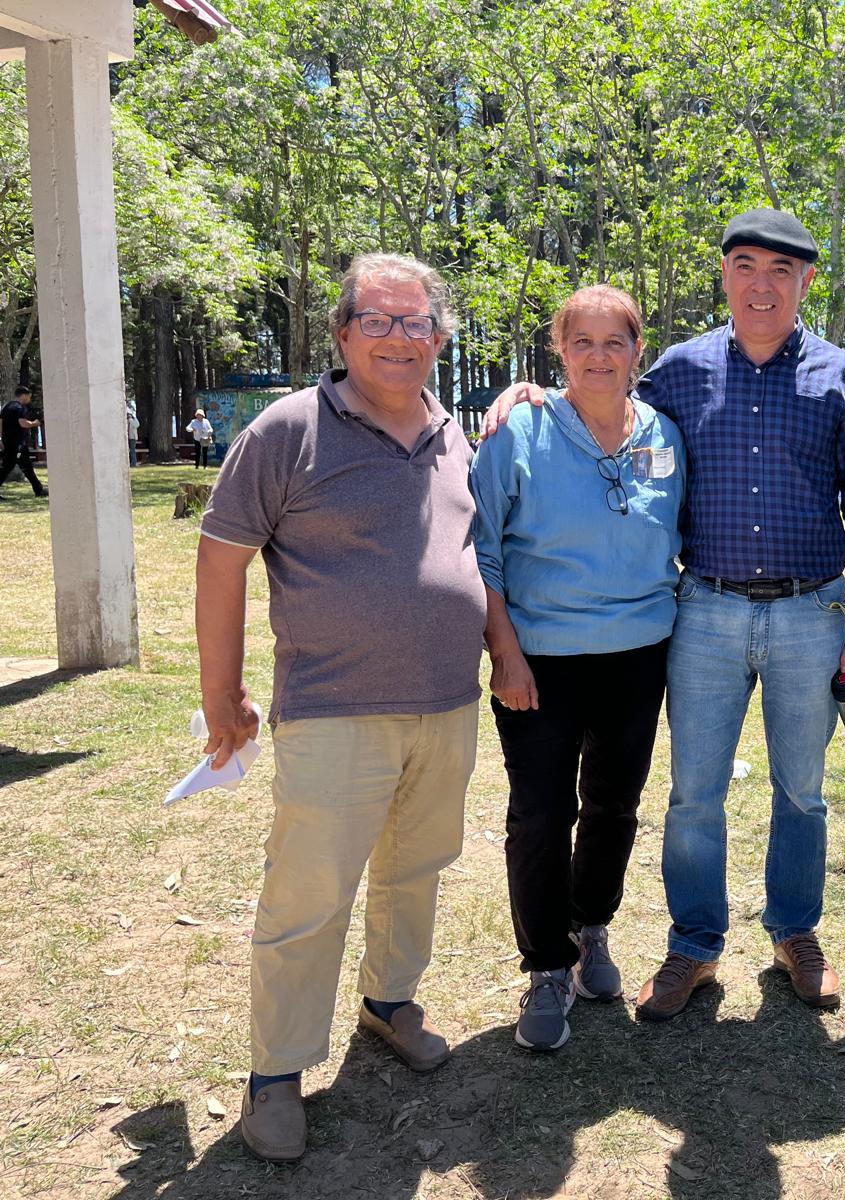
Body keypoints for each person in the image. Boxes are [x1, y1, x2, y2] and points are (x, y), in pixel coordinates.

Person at [486, 209, 845, 1021]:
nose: (761, 284)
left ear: (806, 280)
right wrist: (522, 392)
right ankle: (695, 946)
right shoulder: (679, 368)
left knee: (802, 792)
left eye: (781, 271)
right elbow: (595, 398)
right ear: (725, 276)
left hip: (811, 610)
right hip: (703, 610)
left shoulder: (842, 377)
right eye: (745, 265)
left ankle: (795, 933)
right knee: (692, 794)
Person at [196, 253, 485, 1162]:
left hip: (446, 704)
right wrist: (222, 694)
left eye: (417, 324)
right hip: (332, 709)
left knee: (419, 867)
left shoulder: (455, 434)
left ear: (439, 338)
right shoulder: (290, 429)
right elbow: (220, 559)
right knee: (309, 894)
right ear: (343, 332)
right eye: (380, 321)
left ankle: (389, 1002)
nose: (400, 340)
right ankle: (276, 1072)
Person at [470, 286, 686, 1052]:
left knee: (614, 808)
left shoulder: (663, 431)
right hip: (542, 661)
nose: (599, 356)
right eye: (582, 342)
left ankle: (591, 928)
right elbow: (483, 550)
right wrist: (506, 653)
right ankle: (547, 967)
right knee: (538, 814)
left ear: (637, 352)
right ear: (559, 351)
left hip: (638, 658)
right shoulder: (517, 431)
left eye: (615, 342)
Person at [0, 385, 47, 498]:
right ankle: (39, 490)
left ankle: (39, 490)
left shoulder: (6, 407)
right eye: (29, 397)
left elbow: (1, 424)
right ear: (24, 395)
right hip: (17, 445)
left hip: (9, 442)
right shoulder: (20, 408)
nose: (29, 399)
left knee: (27, 467)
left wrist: (1, 439)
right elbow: (23, 423)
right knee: (7, 467)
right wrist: (35, 423)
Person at [126, 400, 140, 468]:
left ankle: (134, 462)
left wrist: (131, 419)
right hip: (127, 437)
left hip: (132, 437)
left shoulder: (133, 419)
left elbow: (136, 425)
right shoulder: (126, 419)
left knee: (132, 450)